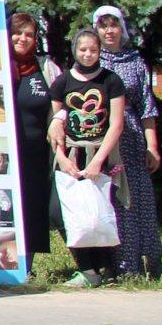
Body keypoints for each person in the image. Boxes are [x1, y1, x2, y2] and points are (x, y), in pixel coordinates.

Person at [50, 27, 126, 287]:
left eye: (93, 49)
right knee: (63, 211)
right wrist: (61, 157)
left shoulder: (111, 81)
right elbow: (55, 123)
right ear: (75, 50)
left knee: (99, 211)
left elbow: (116, 124)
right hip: (70, 154)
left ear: (100, 51)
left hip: (100, 153)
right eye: (83, 49)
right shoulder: (62, 82)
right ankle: (86, 268)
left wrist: (98, 160)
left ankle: (108, 269)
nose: (88, 54)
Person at [93, 4, 162, 278]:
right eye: (103, 25)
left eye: (114, 25)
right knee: (109, 200)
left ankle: (149, 260)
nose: (109, 31)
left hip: (131, 139)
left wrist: (152, 145)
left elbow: (147, 105)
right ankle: (115, 264)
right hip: (100, 139)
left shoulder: (135, 61)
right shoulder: (92, 61)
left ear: (122, 28)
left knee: (136, 200)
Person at [8, 12, 60, 272]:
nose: (23, 38)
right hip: (4, 155)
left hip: (36, 156)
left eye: (29, 34)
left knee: (32, 208)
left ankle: (25, 266)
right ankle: (1, 264)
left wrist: (57, 123)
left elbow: (60, 107)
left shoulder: (46, 68)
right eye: (18, 32)